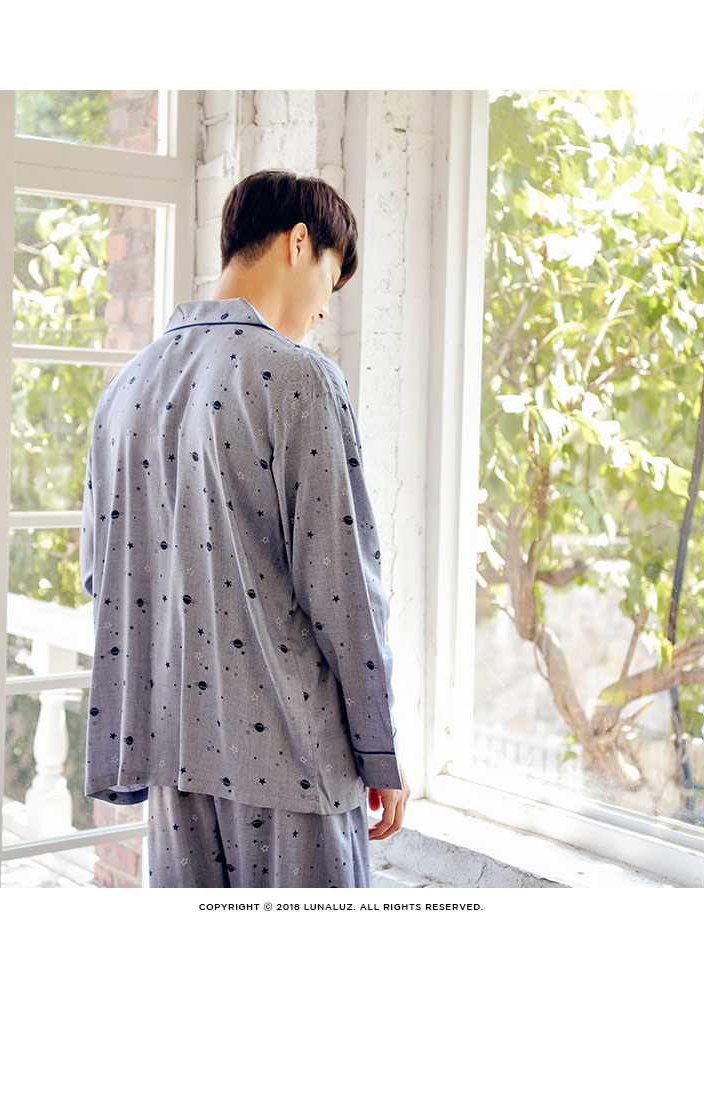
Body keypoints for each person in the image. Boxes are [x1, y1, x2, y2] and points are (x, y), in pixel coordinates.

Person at [80, 169, 409, 888]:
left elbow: (100, 574)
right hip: (295, 765)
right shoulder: (300, 379)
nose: (324, 309)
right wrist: (380, 752)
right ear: (300, 243)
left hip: (175, 764)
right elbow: (344, 593)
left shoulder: (126, 387)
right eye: (331, 278)